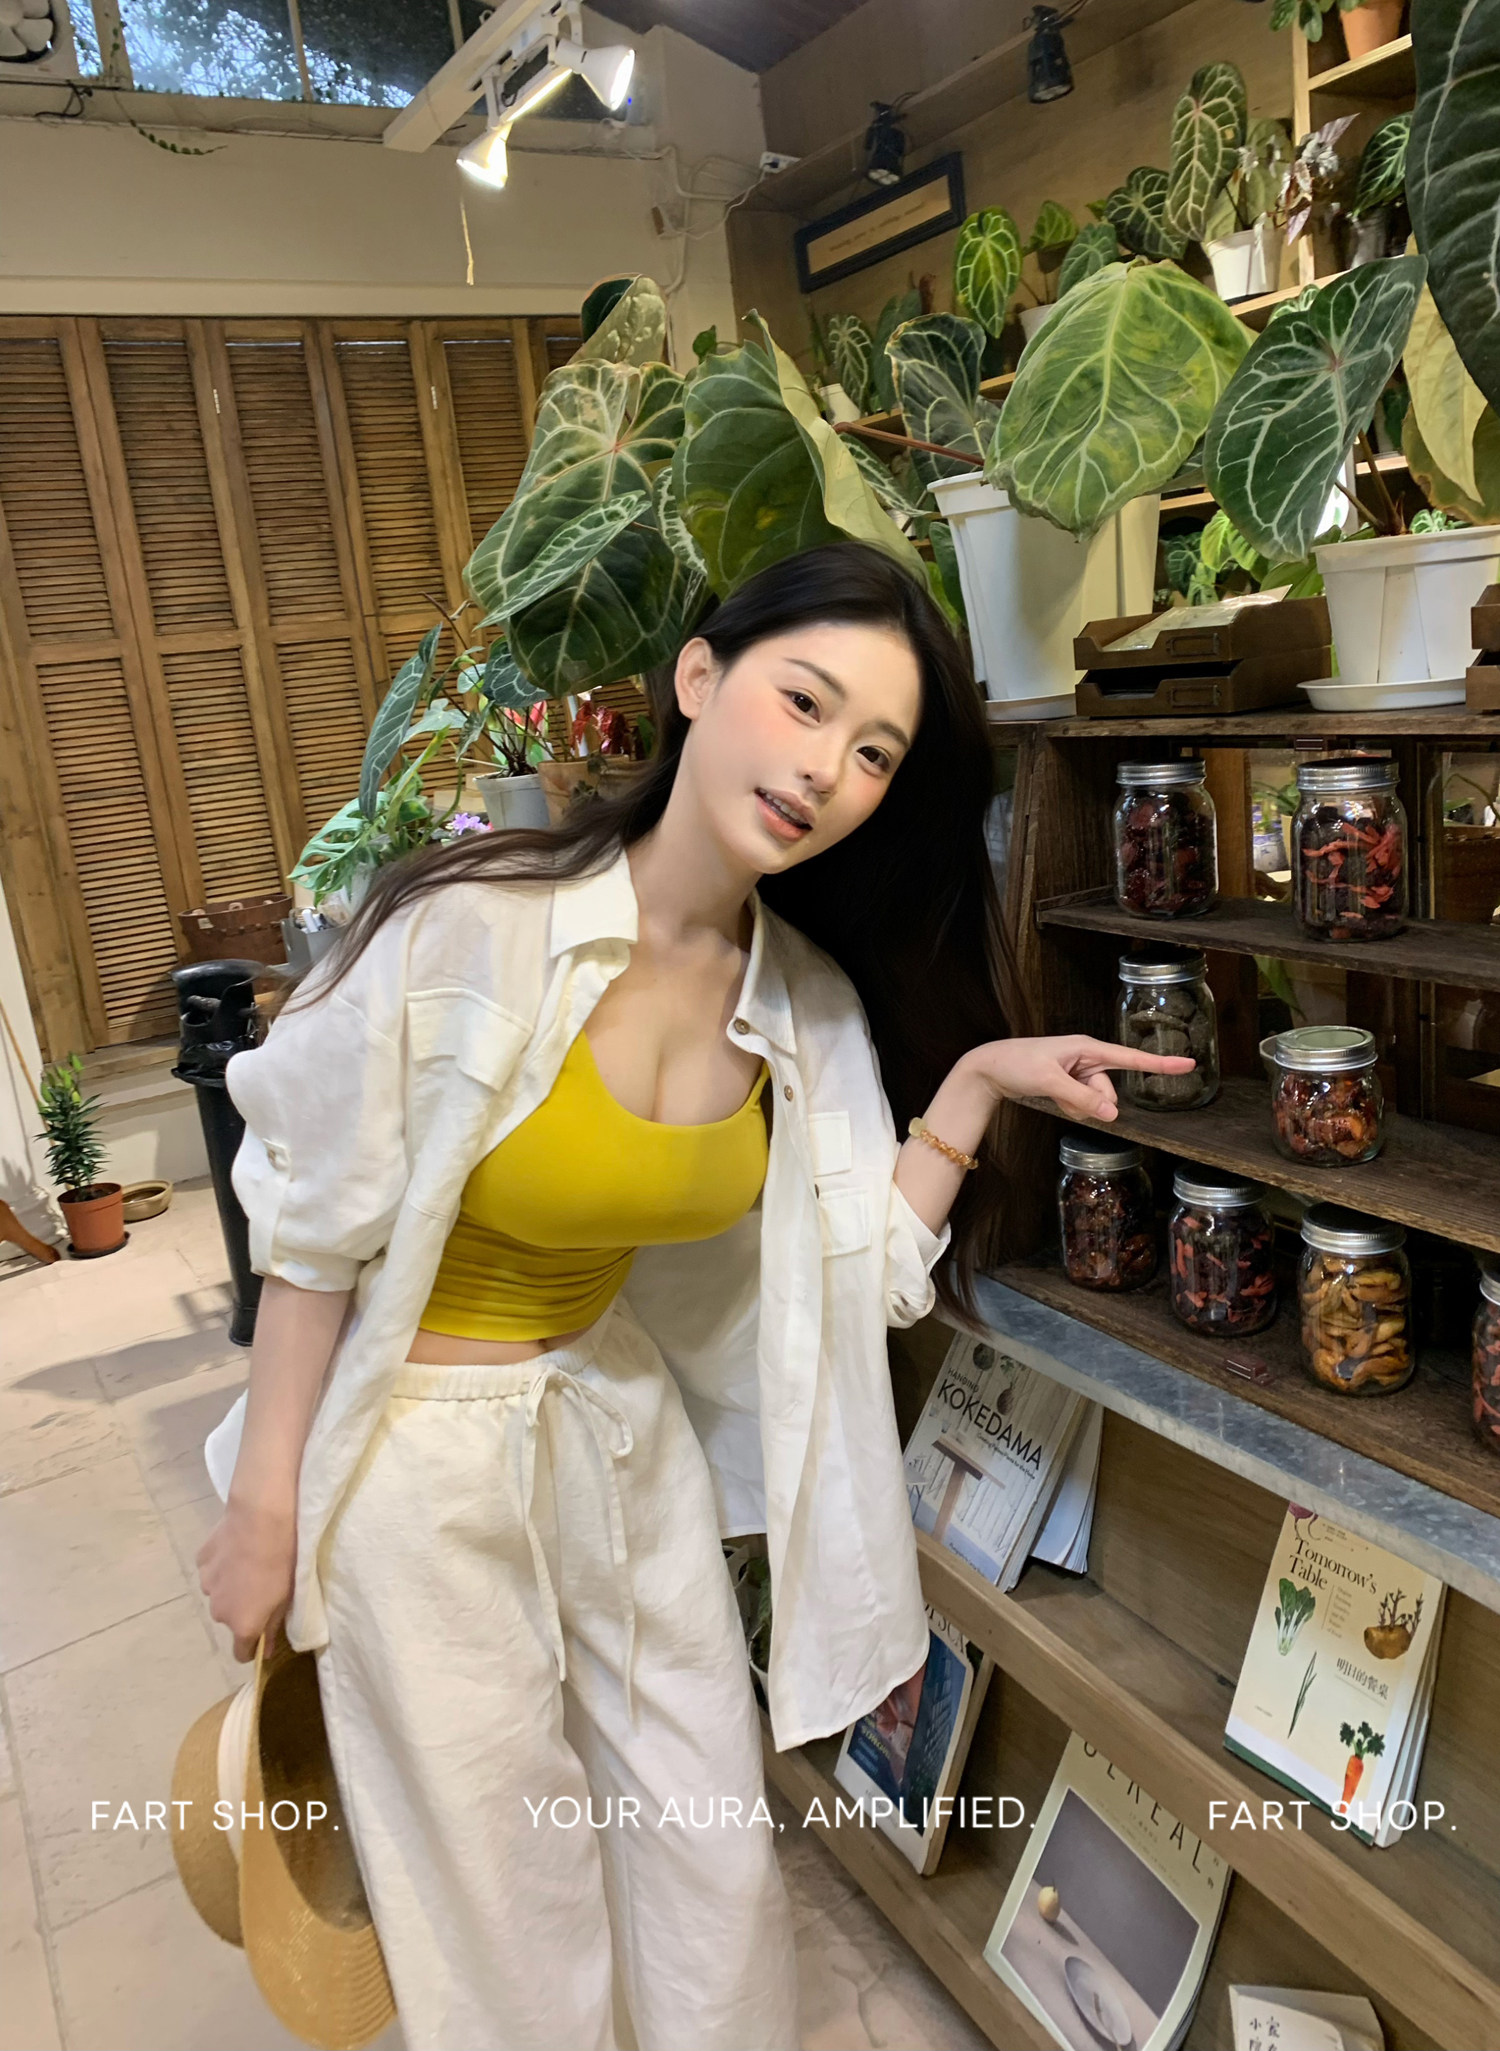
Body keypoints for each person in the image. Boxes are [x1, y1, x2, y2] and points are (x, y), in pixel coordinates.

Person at [196, 540, 1191, 2051]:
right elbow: (312, 1230)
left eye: (875, 752)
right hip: (421, 1461)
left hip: (617, 1425)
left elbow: (861, 1271)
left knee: (708, 1851)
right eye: (805, 702)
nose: (827, 770)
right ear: (699, 678)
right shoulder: (471, 929)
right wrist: (267, 1504)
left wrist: (978, 1085)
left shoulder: (803, 1000)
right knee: (508, 1898)